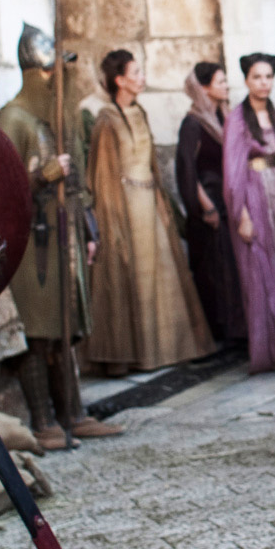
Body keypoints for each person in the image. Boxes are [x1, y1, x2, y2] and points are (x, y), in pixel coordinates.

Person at [0, 24, 124, 449]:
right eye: (56, 72)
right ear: (40, 74)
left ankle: (73, 413)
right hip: (31, 243)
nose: (61, 81)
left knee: (65, 327)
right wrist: (42, 176)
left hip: (63, 238)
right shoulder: (12, 118)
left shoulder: (55, 119)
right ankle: (43, 421)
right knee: (37, 330)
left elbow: (77, 184)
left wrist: (88, 229)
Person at [85, 48, 213, 376]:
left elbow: (151, 163)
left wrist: (160, 201)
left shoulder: (140, 112)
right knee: (134, 276)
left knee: (161, 272)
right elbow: (102, 174)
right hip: (125, 205)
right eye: (136, 73)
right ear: (120, 80)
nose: (142, 78)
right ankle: (137, 353)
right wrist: (111, 218)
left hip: (149, 202)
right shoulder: (106, 119)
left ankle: (167, 348)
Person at [224, 53, 275, 375]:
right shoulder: (237, 120)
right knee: (261, 269)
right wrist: (241, 215)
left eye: (268, 76)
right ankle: (273, 348)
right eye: (257, 77)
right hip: (254, 197)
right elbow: (233, 171)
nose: (263, 82)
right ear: (246, 80)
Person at [177, 62, 247, 347]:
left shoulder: (224, 117)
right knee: (215, 270)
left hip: (228, 202)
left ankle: (238, 331)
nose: (226, 86)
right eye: (220, 82)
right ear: (204, 88)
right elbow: (187, 170)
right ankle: (221, 334)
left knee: (232, 267)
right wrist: (206, 207)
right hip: (210, 204)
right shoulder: (193, 123)